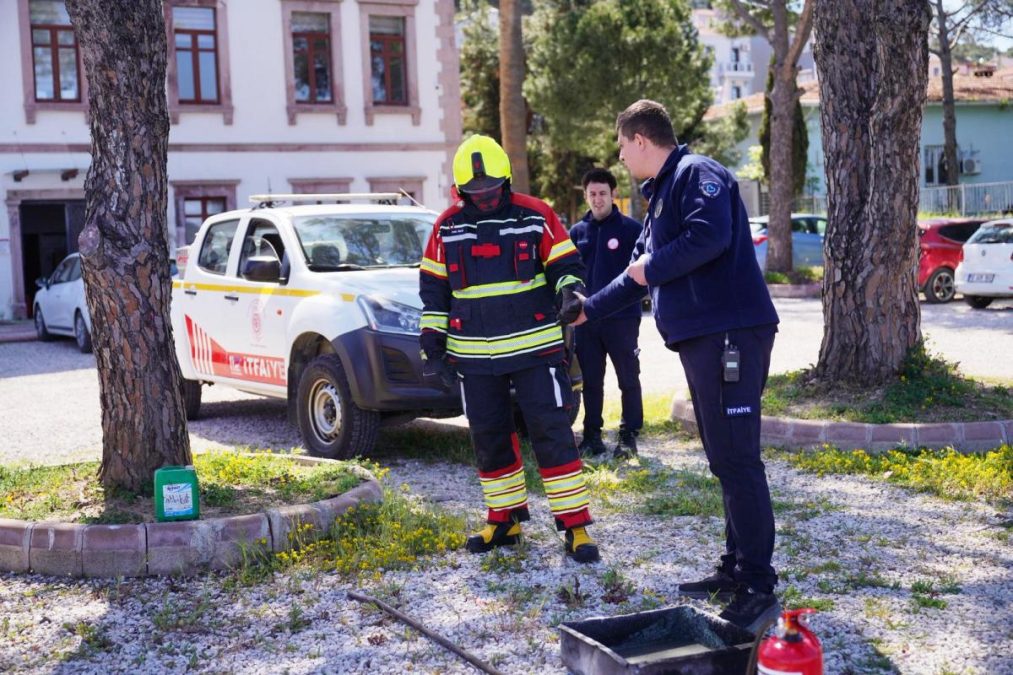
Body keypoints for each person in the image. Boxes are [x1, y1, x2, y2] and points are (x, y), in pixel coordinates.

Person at [573, 100, 781, 631]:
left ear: (641, 140)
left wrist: (652, 266)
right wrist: (587, 310)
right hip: (704, 339)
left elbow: (709, 238)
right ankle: (736, 567)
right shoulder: (661, 194)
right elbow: (635, 274)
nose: (621, 157)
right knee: (723, 458)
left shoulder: (695, 173)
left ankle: (758, 586)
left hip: (730, 334)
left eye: (622, 146)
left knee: (737, 459)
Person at [419, 134, 600, 563]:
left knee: (553, 433)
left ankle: (575, 526)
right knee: (489, 438)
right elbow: (434, 294)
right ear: (459, 190)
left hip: (536, 350)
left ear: (506, 181)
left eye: (491, 189)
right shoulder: (446, 227)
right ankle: (504, 520)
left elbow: (566, 266)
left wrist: (569, 291)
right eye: (475, 192)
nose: (484, 197)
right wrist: (433, 348)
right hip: (475, 359)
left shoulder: (536, 215)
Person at [569, 168, 644, 459]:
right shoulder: (577, 233)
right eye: (592, 194)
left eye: (603, 193)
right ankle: (592, 436)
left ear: (613, 194)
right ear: (586, 196)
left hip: (622, 319)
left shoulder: (631, 230)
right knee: (591, 380)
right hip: (586, 321)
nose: (598, 199)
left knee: (628, 378)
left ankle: (628, 436)